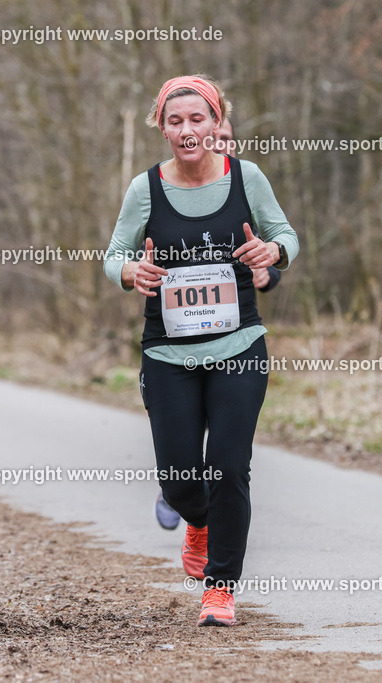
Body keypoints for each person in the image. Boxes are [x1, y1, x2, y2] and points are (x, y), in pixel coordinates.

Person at [104, 74, 298, 626]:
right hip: (168, 355)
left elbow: (287, 235)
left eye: (198, 119)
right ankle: (198, 520)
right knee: (181, 480)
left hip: (239, 346)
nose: (188, 130)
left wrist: (273, 251)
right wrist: (128, 270)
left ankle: (220, 588)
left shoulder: (248, 177)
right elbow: (114, 252)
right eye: (175, 121)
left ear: (217, 124)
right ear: (161, 128)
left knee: (230, 467)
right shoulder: (145, 188)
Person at [153, 117, 283, 530]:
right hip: (179, 343)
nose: (216, 143)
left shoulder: (246, 182)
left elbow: (274, 243)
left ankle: (212, 513)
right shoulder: (164, 188)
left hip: (235, 340)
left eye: (224, 138)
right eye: (215, 137)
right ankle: (188, 496)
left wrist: (267, 266)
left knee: (226, 449)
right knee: (185, 444)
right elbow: (144, 249)